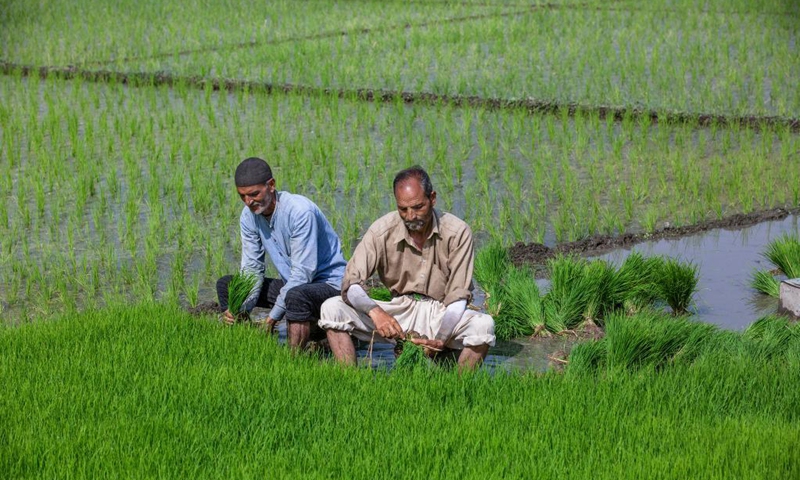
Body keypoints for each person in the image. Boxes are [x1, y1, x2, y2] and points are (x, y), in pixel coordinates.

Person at [319, 166, 495, 369]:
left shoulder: (457, 232)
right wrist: (376, 312)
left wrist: (441, 338)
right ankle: (348, 378)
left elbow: (458, 298)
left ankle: (460, 387)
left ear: (433, 198)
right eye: (403, 209)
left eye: (418, 207)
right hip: (397, 310)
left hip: (440, 312)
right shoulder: (381, 230)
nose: (411, 216)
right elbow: (351, 284)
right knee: (331, 308)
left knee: (484, 325)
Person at [217, 157, 347, 350]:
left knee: (296, 294)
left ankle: (295, 358)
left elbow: (303, 275)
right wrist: (240, 307)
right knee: (228, 285)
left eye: (253, 194)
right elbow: (252, 269)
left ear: (271, 185)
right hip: (295, 286)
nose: (248, 202)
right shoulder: (248, 217)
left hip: (330, 287)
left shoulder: (300, 212)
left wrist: (272, 318)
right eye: (242, 196)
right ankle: (244, 342)